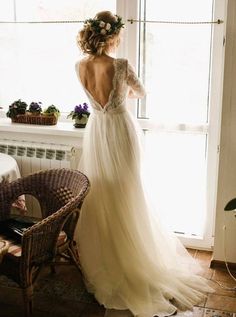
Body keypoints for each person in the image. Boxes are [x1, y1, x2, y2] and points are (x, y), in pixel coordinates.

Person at [75, 11, 213, 317]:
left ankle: (109, 259)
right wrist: (121, 96)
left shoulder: (80, 66)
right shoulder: (121, 65)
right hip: (121, 131)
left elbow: (89, 94)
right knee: (127, 191)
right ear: (112, 36)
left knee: (103, 193)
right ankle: (132, 259)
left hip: (97, 131)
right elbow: (140, 91)